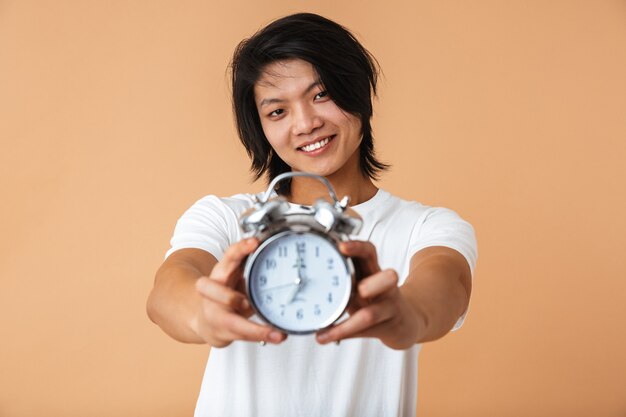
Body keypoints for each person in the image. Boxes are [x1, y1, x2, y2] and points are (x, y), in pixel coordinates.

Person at [147, 12, 477, 417]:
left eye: (321, 94)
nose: (306, 123)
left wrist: (408, 315)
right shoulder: (226, 218)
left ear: (357, 92)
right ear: (261, 129)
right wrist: (202, 315)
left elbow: (446, 285)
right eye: (277, 111)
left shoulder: (427, 227)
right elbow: (167, 292)